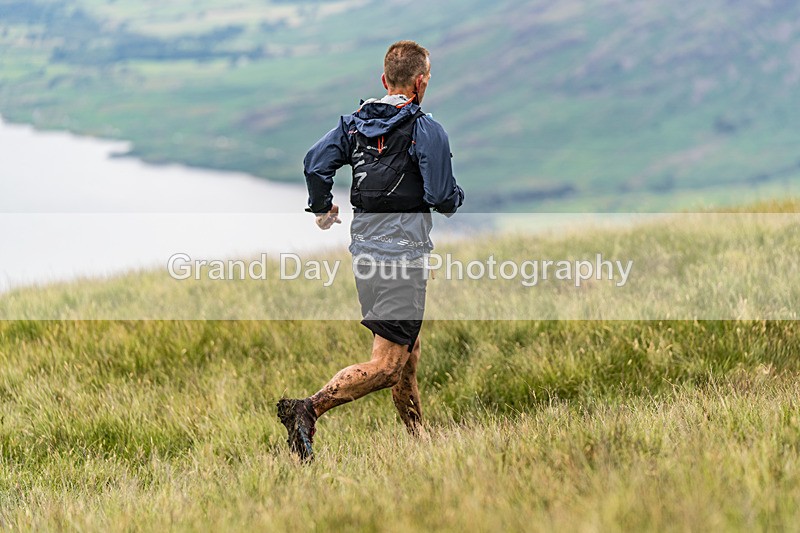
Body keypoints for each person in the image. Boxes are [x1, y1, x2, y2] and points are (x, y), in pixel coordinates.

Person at [277, 40, 464, 461]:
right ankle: (307, 410)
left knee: (407, 352)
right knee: (387, 364)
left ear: (384, 81)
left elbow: (314, 163)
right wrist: (457, 196)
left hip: (365, 253)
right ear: (420, 83)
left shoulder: (353, 124)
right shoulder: (425, 128)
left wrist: (323, 208)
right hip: (403, 258)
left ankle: (420, 444)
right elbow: (440, 195)